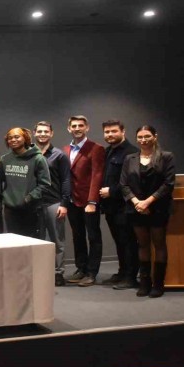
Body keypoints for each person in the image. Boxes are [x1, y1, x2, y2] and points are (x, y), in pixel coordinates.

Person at [120, 125, 175, 298]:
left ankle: (158, 284)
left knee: (159, 244)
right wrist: (137, 202)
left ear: (155, 136)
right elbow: (123, 184)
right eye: (140, 137)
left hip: (158, 208)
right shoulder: (130, 158)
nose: (143, 140)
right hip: (136, 208)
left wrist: (148, 202)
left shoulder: (166, 157)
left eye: (147, 136)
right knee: (142, 245)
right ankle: (145, 283)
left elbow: (168, 184)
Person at [63, 115, 105, 287]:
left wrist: (92, 201)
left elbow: (97, 175)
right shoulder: (66, 149)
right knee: (77, 236)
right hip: (72, 200)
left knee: (93, 236)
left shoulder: (96, 148)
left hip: (89, 202)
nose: (77, 128)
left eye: (81, 125)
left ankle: (91, 272)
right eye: (74, 126)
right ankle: (81, 268)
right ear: (69, 129)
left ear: (87, 128)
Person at [100, 119, 140, 290]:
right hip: (111, 207)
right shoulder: (108, 151)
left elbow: (132, 180)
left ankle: (131, 277)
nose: (110, 134)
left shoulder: (132, 152)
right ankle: (122, 272)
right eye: (107, 132)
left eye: (114, 131)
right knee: (119, 241)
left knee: (128, 241)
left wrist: (112, 191)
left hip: (125, 206)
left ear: (123, 131)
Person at [34, 122, 71, 287]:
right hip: (34, 204)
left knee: (57, 240)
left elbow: (66, 180)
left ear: (51, 133)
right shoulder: (29, 154)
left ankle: (58, 273)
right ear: (34, 133)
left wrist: (64, 203)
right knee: (37, 240)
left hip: (54, 202)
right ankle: (40, 272)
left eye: (46, 131)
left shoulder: (59, 155)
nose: (42, 134)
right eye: (39, 131)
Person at [0, 127, 51, 238]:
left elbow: (45, 184)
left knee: (32, 242)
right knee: (14, 242)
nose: (13, 140)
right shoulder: (4, 159)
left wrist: (29, 198)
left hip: (31, 209)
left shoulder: (38, 158)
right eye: (10, 138)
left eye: (17, 137)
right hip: (10, 210)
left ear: (25, 138)